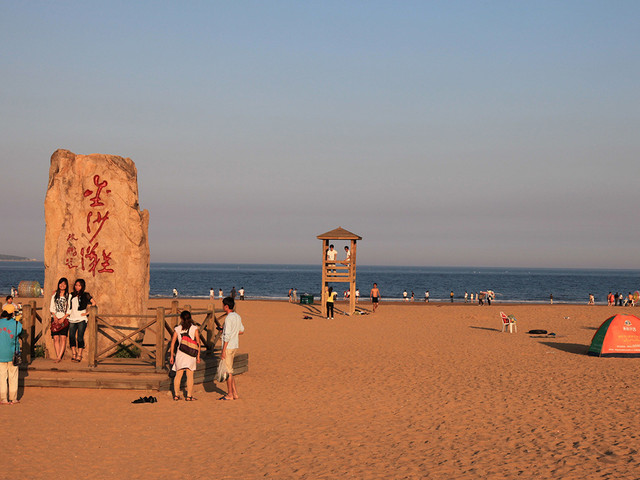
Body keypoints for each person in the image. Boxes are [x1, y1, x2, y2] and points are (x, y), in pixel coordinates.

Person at [169, 310, 201, 401]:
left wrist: (172, 356)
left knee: (178, 375)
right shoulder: (194, 328)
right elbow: (198, 343)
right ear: (190, 318)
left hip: (180, 354)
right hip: (190, 354)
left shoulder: (178, 328)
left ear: (181, 318)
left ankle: (176, 395)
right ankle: (189, 396)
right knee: (190, 375)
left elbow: (173, 343)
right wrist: (198, 356)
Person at [219, 297, 244, 401]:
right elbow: (241, 330)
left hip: (229, 346)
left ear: (226, 306)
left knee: (228, 371)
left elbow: (227, 336)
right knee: (230, 370)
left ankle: (230, 394)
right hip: (235, 345)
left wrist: (223, 350)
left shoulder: (229, 318)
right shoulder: (237, 316)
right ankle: (235, 393)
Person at [68, 279, 96, 363]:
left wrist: (87, 313)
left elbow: (94, 303)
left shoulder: (85, 295)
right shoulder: (72, 295)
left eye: (79, 285)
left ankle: (79, 354)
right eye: (76, 285)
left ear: (82, 286)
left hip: (81, 319)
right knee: (71, 336)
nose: (77, 287)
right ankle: (74, 353)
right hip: (72, 318)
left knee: (80, 337)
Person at [0, 310, 22, 404]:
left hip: (1, 353)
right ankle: (13, 398)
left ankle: (3, 398)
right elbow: (20, 333)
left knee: (2, 377)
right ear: (12, 314)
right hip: (13, 353)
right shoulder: (17, 324)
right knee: (13, 376)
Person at [49, 277, 71, 362]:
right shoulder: (54, 295)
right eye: (61, 283)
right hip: (55, 318)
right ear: (58, 284)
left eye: (64, 284)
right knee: (55, 338)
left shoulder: (69, 296)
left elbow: (69, 309)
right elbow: (51, 307)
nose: (62, 285)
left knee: (63, 338)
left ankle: (59, 357)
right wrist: (54, 316)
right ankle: (58, 355)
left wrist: (63, 318)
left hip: (64, 319)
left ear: (66, 285)